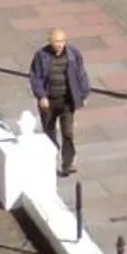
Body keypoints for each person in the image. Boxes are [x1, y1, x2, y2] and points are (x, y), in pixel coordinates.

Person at [27, 28, 91, 176]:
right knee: (49, 132)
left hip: (67, 101)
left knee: (68, 133)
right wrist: (41, 96)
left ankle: (67, 164)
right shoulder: (41, 56)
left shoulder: (73, 54)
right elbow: (35, 77)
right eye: (57, 41)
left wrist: (83, 94)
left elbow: (81, 74)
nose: (60, 44)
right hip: (48, 102)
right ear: (50, 41)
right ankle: (50, 159)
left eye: (62, 41)